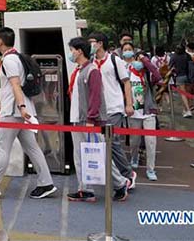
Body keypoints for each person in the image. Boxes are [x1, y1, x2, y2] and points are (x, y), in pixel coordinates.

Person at [0, 28, 56, 200]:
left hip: (14, 111)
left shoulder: (9, 60)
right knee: (32, 147)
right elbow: (12, 88)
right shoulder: (17, 57)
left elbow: (15, 85)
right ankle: (46, 183)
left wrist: (20, 107)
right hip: (17, 110)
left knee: (3, 147)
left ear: (0, 41)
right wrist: (7, 106)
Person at [65, 37, 129, 202]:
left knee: (99, 154)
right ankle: (85, 189)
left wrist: (91, 118)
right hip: (78, 118)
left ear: (79, 51)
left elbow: (95, 96)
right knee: (80, 155)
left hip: (88, 120)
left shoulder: (91, 70)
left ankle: (120, 183)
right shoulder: (82, 69)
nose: (71, 53)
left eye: (72, 50)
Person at [86, 32, 136, 191]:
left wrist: (129, 104)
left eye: (92, 42)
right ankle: (116, 175)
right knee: (104, 142)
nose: (90, 46)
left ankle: (127, 174)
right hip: (98, 109)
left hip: (114, 107)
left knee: (112, 141)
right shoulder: (91, 62)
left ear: (100, 44)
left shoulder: (115, 60)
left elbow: (126, 82)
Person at [120, 43, 161, 181]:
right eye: (125, 50)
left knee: (151, 141)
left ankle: (151, 169)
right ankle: (134, 156)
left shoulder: (146, 72)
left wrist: (144, 60)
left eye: (130, 50)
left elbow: (157, 74)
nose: (128, 52)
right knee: (134, 141)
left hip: (148, 111)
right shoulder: (124, 70)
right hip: (133, 112)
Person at [169, 46, 194, 118]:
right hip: (189, 76)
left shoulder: (174, 57)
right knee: (188, 93)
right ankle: (186, 109)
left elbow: (170, 66)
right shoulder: (187, 56)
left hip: (179, 76)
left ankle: (188, 110)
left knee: (183, 94)